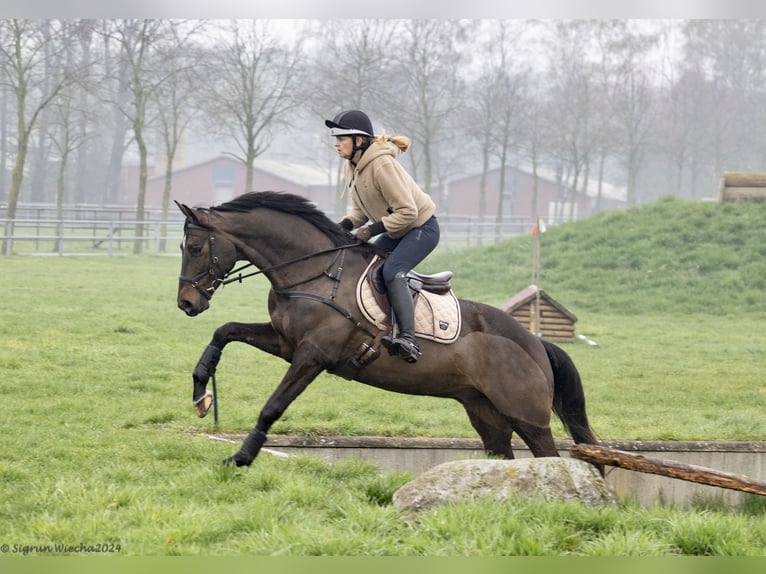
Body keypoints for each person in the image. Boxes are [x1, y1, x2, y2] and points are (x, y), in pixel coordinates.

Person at [326, 109, 440, 363]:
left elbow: (408, 212)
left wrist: (370, 231)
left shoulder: (382, 164)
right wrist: (339, 228)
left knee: (392, 271)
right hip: (396, 230)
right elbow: (359, 212)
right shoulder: (352, 166)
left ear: (359, 141)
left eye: (341, 138)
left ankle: (408, 339)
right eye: (335, 138)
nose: (336, 143)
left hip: (421, 229)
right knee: (364, 266)